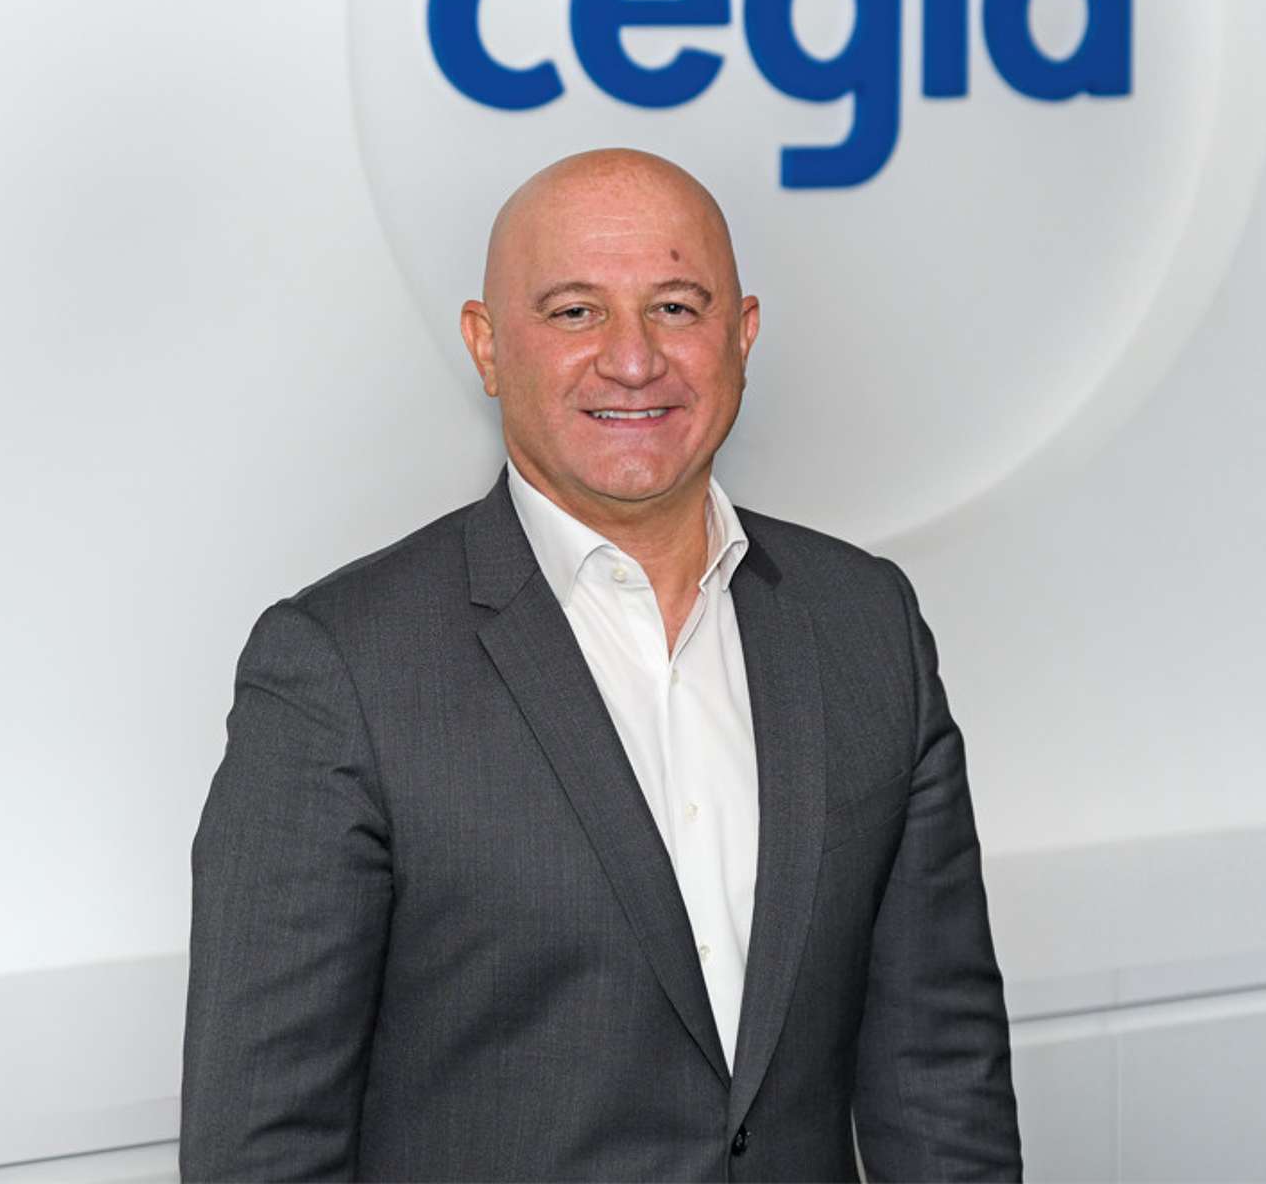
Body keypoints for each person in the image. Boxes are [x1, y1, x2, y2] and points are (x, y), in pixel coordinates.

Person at [179, 149, 1022, 1181]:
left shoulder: (864, 623)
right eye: (575, 311)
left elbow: (940, 1077)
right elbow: (261, 1148)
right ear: (487, 346)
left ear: (742, 334)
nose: (632, 359)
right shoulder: (340, 671)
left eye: (675, 307)